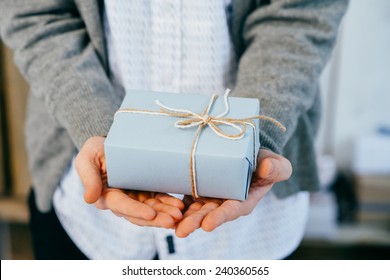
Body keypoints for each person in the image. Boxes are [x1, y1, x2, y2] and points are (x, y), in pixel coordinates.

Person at [0, 0, 348, 259]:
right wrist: (99, 129)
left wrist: (251, 138)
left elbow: (298, 14)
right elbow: (36, 14)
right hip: (86, 216)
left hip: (252, 228)